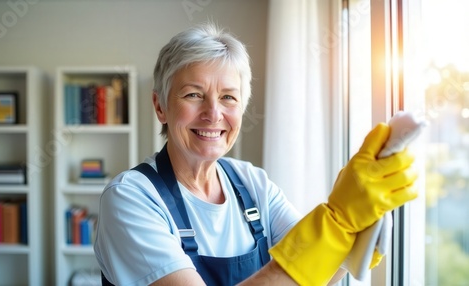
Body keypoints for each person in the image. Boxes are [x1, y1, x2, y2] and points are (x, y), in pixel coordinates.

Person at [94, 22, 418, 286]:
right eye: (194, 94)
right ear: (160, 106)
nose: (213, 113)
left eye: (228, 98)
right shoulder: (130, 198)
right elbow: (301, 266)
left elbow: (311, 273)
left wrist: (357, 232)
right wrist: (335, 222)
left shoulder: (252, 184)